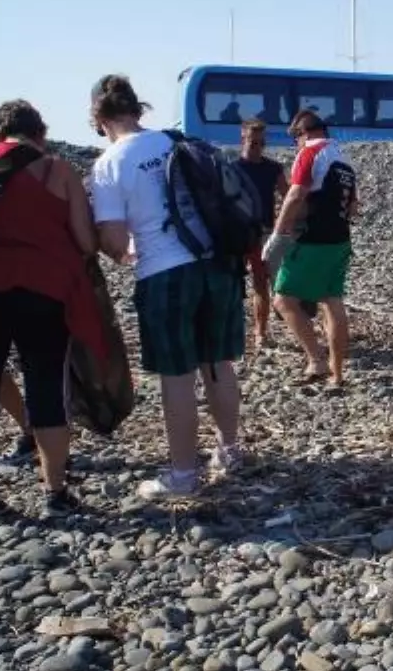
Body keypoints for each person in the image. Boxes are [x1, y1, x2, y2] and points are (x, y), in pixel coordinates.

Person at [91, 75, 247, 500]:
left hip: (164, 272)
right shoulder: (177, 140)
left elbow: (114, 240)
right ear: (138, 111)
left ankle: (182, 473)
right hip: (216, 264)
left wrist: (116, 253)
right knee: (217, 363)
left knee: (176, 375)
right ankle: (229, 450)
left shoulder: (110, 163)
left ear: (100, 119)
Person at [0, 100, 103, 516]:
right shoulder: (58, 170)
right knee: (46, 387)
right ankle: (54, 493)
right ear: (40, 132)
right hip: (45, 291)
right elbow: (88, 243)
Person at [263, 110, 358, 386]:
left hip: (313, 239)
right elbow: (353, 206)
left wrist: (278, 234)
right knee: (332, 301)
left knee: (283, 299)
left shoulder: (310, 153)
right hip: (340, 238)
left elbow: (295, 194)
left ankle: (316, 360)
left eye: (295, 138)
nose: (296, 144)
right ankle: (337, 374)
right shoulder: (343, 158)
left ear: (302, 133)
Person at [235, 118, 288, 347]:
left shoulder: (273, 168)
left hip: (262, 232)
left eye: (261, 143)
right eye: (253, 142)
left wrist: (284, 226)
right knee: (231, 284)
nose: (257, 147)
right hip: (235, 233)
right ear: (243, 140)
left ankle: (260, 332)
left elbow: (287, 197)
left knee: (260, 283)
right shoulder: (231, 168)